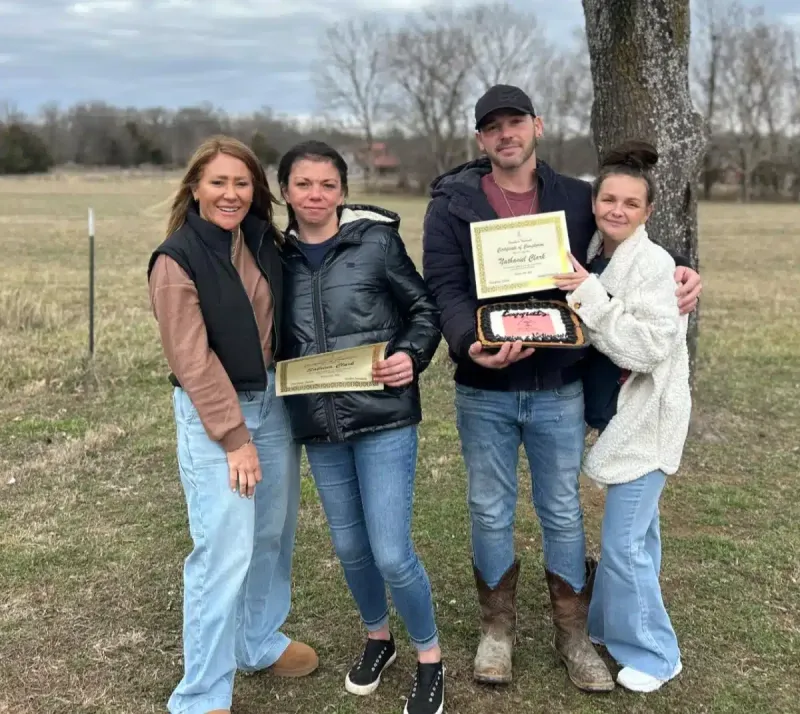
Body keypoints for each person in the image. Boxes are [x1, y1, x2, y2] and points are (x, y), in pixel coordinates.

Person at [421, 84, 702, 692]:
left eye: (515, 122)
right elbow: (443, 286)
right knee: (489, 508)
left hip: (557, 386)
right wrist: (470, 342)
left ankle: (573, 633)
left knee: (562, 510)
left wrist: (681, 267)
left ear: (536, 126)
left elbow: (623, 244)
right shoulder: (451, 202)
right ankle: (497, 630)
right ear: (480, 138)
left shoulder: (576, 198)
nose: (505, 134)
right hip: (484, 385)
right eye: (492, 126)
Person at [147, 135, 318, 714]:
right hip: (216, 415)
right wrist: (234, 437)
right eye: (218, 182)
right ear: (195, 186)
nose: (231, 193)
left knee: (271, 536)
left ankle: (259, 641)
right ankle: (201, 694)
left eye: (242, 183)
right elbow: (192, 361)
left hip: (274, 403)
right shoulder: (176, 260)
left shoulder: (261, 240)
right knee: (223, 550)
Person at [277, 140, 445, 714]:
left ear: (343, 192)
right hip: (317, 423)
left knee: (392, 552)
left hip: (384, 418)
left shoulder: (376, 242)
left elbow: (424, 310)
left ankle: (430, 658)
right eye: (303, 184)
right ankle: (379, 638)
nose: (315, 195)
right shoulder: (273, 257)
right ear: (285, 192)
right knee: (350, 547)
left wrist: (410, 355)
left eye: (327, 185)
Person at [553, 140, 689, 692]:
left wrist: (588, 294)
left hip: (648, 423)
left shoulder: (653, 263)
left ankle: (657, 653)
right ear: (595, 201)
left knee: (624, 543)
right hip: (617, 419)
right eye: (609, 198)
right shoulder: (595, 249)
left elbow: (649, 348)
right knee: (640, 536)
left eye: (631, 204)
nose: (617, 209)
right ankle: (611, 624)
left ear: (648, 212)